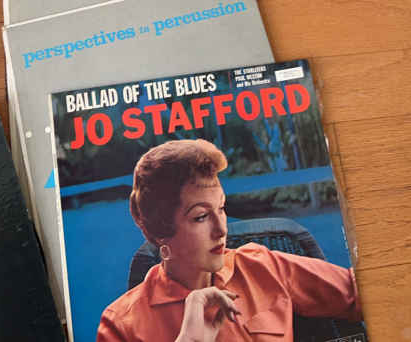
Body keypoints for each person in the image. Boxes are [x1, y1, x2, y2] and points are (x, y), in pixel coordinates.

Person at [97, 139, 363, 342]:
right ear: (160, 230)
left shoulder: (262, 265)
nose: (221, 229)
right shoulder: (120, 326)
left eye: (221, 208)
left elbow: (359, 292)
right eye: (201, 216)